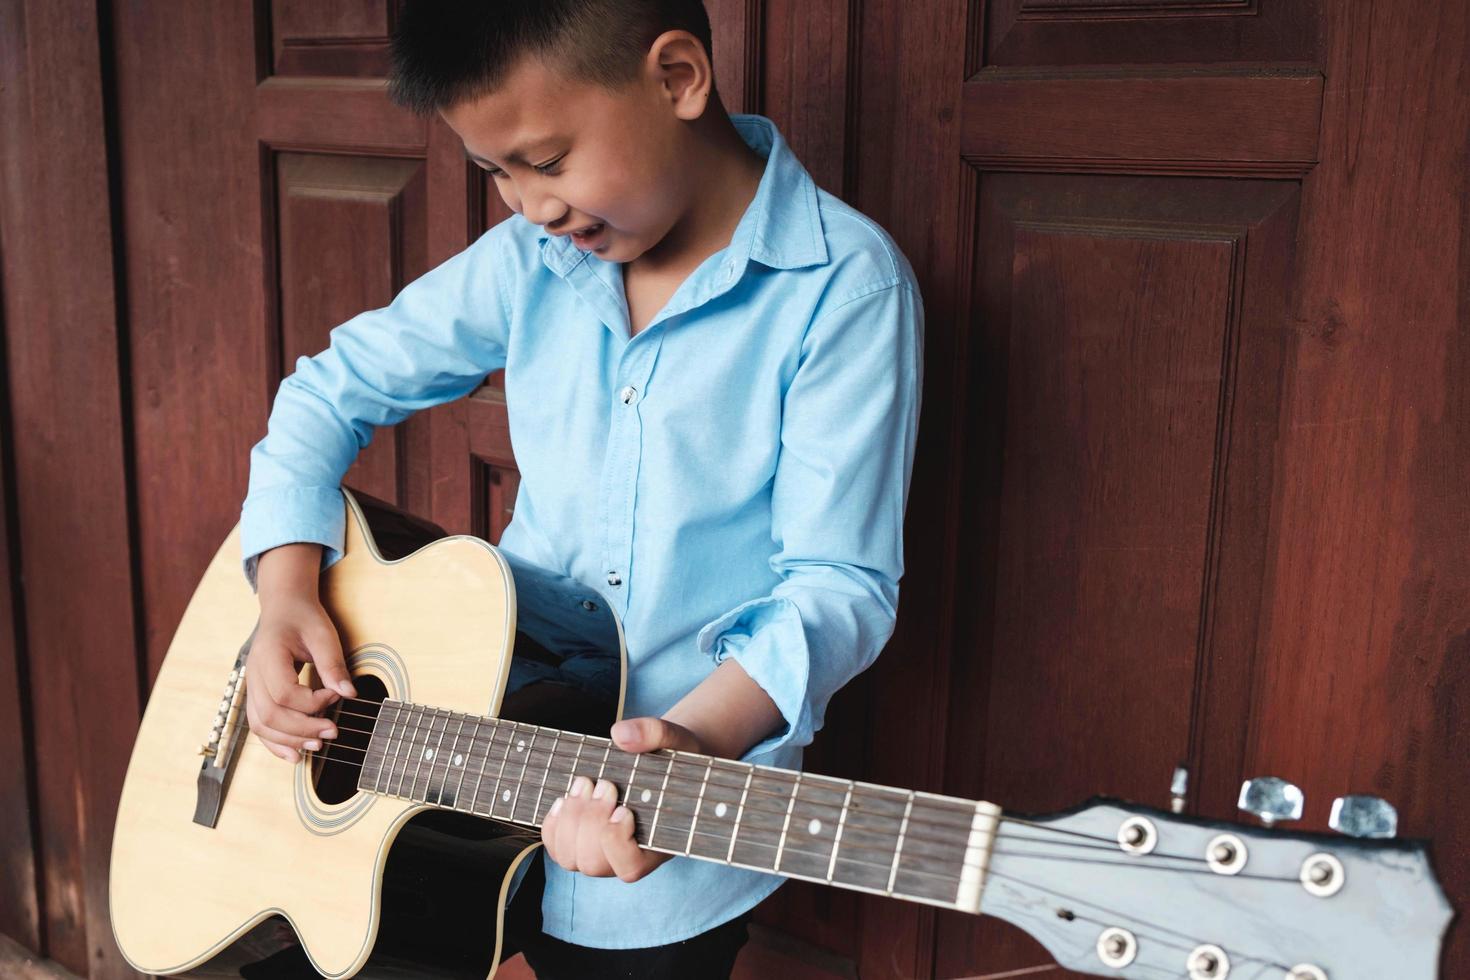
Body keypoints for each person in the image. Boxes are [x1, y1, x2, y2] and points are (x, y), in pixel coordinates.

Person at [239, 1, 923, 976]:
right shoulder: (532, 260)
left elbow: (839, 583)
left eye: (548, 161)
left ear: (679, 76)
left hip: (668, 842)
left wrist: (695, 735)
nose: (528, 204)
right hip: (460, 770)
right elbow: (325, 390)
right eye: (496, 173)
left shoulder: (844, 289)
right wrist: (285, 590)